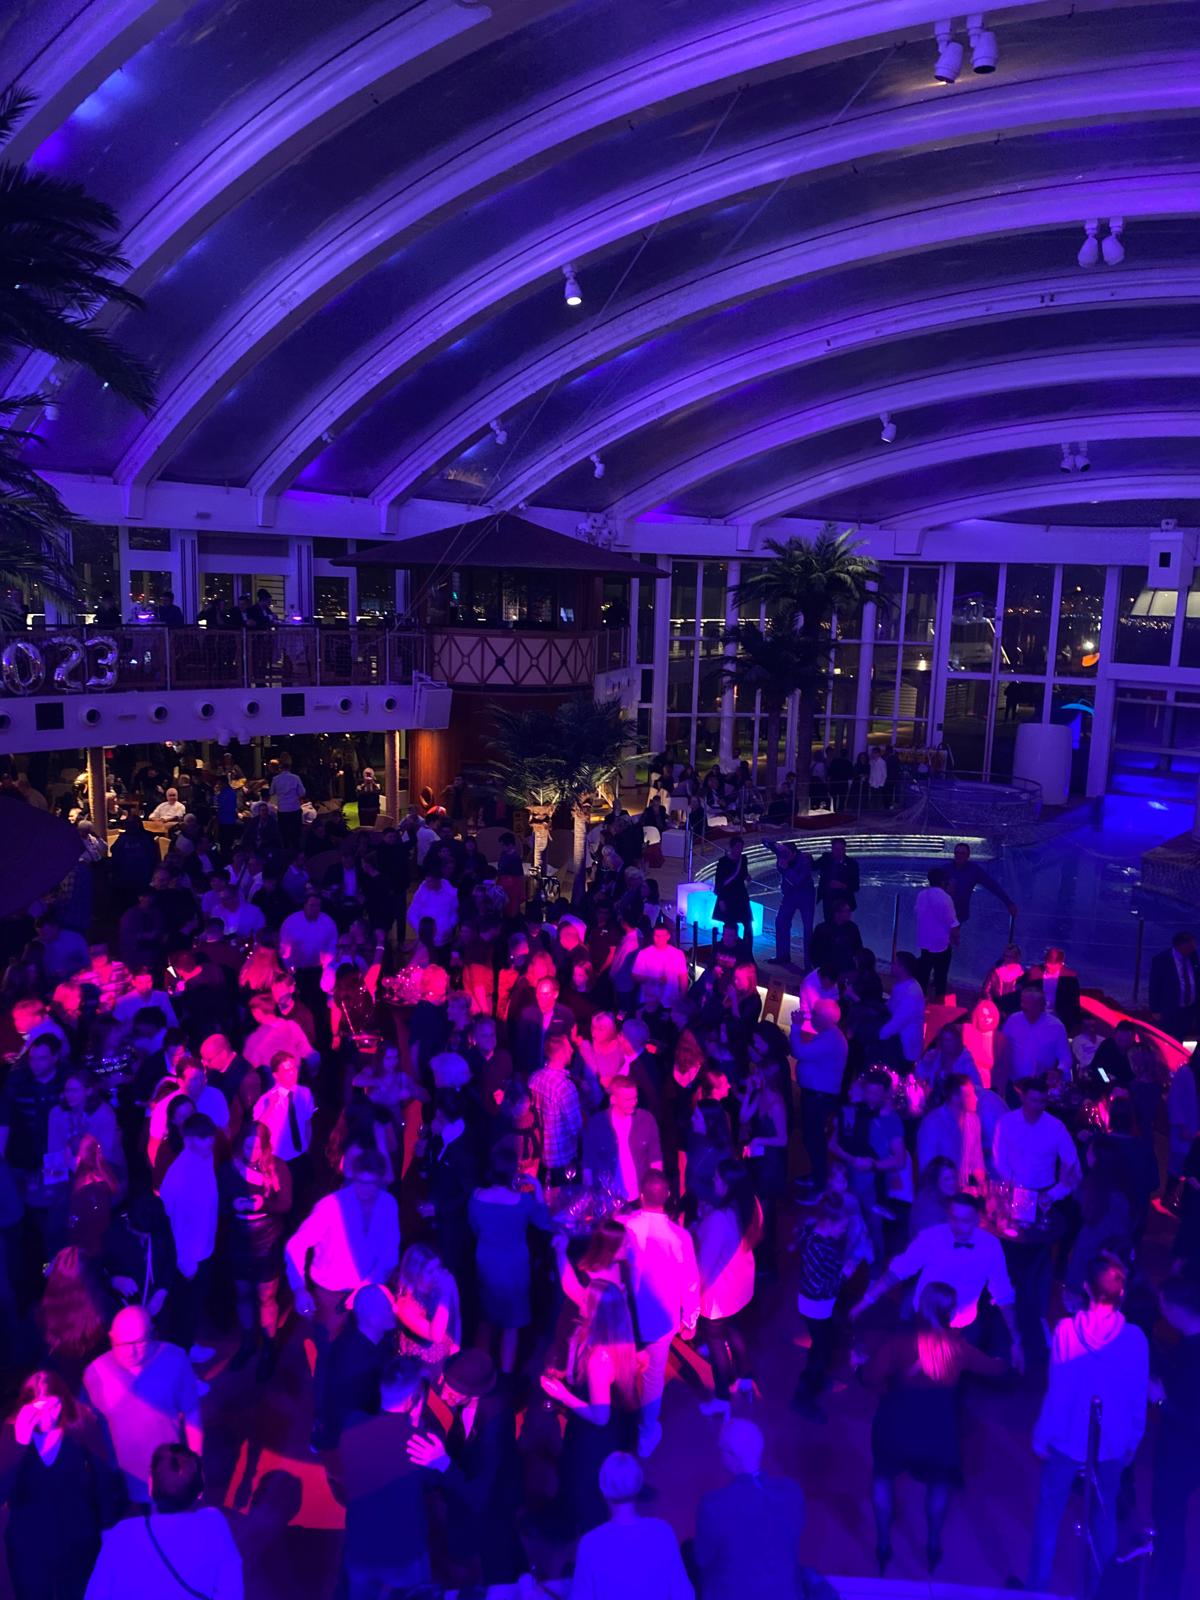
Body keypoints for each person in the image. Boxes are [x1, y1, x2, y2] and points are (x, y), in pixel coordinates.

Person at [863, 1282, 1007, 1575]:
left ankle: (882, 1547)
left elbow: (869, 1377)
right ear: (950, 1313)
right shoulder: (959, 1349)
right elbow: (997, 1369)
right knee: (939, 1485)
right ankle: (931, 1546)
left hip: (895, 1424)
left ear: (920, 1306)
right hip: (938, 1431)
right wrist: (1007, 1350)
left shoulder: (898, 1343)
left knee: (882, 1479)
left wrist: (859, 1366)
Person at [1027, 1256, 1149, 1593]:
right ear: (1122, 1293)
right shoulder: (1135, 1339)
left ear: (1085, 1288)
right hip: (1112, 1440)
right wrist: (1133, 1439)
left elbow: (1057, 1391)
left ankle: (1037, 1587)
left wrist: (1042, 1434)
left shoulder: (1066, 1331)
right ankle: (1100, 1590)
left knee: (1049, 1513)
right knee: (1104, 1516)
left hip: (1066, 1437)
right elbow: (1137, 1396)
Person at [851, 1192, 1022, 1364]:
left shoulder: (991, 1246)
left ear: (977, 1219)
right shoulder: (931, 1237)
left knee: (960, 1371)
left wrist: (1016, 1340)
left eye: (965, 1220)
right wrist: (862, 1304)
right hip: (926, 1320)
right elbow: (896, 1272)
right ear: (948, 1216)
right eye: (954, 1218)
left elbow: (1003, 1293)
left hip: (964, 1324)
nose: (958, 1226)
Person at [407, 1348, 526, 1583]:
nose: (444, 1394)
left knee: (496, 1564)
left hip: (493, 1500)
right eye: (445, 1384)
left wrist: (443, 1462)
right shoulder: (468, 1398)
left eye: (453, 1391)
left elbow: (479, 1495)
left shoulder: (494, 1423)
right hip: (470, 1483)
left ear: (475, 1392)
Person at [0, 1370, 117, 1600]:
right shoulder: (10, 1433)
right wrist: (20, 1443)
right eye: (39, 1408)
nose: (48, 1416)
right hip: (29, 1545)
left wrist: (108, 1530)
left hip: (78, 1539)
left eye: (54, 1406)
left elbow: (103, 1482)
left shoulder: (82, 1427)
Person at [541, 1280, 639, 1536]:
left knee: (582, 1481)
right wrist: (565, 1371)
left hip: (595, 1433)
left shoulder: (600, 1358)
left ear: (597, 1311)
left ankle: (584, 1534)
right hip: (589, 1422)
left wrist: (562, 1395)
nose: (580, 1301)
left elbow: (601, 1416)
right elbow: (578, 1378)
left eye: (586, 1300)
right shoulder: (596, 1333)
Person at [83, 1442, 242, 1600]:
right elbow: (233, 1592)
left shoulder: (123, 1534)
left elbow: (96, 1595)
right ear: (198, 1490)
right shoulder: (214, 1527)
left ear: (151, 1485)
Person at [83, 1305, 202, 1505]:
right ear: (111, 1337)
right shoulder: (94, 1373)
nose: (132, 1351)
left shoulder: (175, 1359)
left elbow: (192, 1412)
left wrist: (195, 1465)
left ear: (152, 1334)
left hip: (166, 1479)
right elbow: (87, 1429)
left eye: (139, 1342)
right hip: (119, 1483)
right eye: (123, 1343)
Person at [337, 1357, 434, 1597]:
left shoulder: (352, 1423)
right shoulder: (423, 1443)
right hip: (403, 1554)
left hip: (361, 1546)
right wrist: (415, 1426)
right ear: (413, 1401)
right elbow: (433, 1483)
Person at [620, 1170, 700, 1457]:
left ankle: (621, 1427)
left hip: (626, 1318)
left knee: (624, 1370)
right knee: (653, 1378)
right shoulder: (680, 1237)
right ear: (667, 1196)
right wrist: (690, 1319)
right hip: (662, 1320)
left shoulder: (625, 1227)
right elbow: (691, 1282)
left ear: (641, 1196)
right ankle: (647, 1432)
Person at [693, 1418, 806, 1600]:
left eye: (721, 1449)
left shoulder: (714, 1504)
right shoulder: (792, 1493)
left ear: (730, 1455)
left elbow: (702, 1559)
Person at [468, 1143, 552, 1374]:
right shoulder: (522, 1202)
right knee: (511, 1324)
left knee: (486, 1318)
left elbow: (475, 1228)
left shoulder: (476, 1197)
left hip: (486, 1262)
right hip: (514, 1267)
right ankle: (505, 1376)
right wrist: (537, 1187)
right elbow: (545, 1223)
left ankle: (479, 1374)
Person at [570, 1450, 695, 1600]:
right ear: (638, 1483)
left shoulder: (591, 1543)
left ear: (603, 1488)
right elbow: (683, 1595)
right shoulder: (662, 1533)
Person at [220, 1121, 291, 1377]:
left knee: (265, 1297)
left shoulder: (277, 1167)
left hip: (267, 1240)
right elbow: (219, 1204)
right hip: (239, 1239)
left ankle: (269, 1347)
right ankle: (248, 1342)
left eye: (258, 1147)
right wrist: (232, 1205)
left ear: (266, 1147)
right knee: (243, 1294)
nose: (252, 1152)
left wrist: (264, 1203)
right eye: (248, 1146)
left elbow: (286, 1203)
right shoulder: (228, 1169)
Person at [692, 1157, 759, 1416]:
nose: (714, 1180)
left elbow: (704, 1265)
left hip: (719, 1294)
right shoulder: (750, 1205)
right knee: (735, 1330)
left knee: (716, 1342)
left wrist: (692, 1296)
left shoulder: (719, 1219)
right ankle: (746, 1378)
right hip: (741, 1286)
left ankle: (722, 1397)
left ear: (728, 1185)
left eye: (718, 1178)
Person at [1151, 1275, 1200, 1600]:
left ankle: (1164, 1590)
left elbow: (1191, 1418)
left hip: (1181, 1453)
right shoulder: (1187, 1345)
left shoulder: (1191, 1355)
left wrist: (1159, 1400)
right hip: (1188, 1454)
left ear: (1175, 1309)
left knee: (1169, 1521)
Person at [992, 1075, 1081, 1200]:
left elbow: (1071, 1161)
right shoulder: (1006, 1123)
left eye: (1042, 1101)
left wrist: (1053, 1194)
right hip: (1013, 1190)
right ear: (1022, 1098)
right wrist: (1011, 1184)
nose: (1038, 1106)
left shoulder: (1056, 1127)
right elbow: (999, 1158)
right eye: (1033, 1100)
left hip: (1045, 1192)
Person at [790, 998, 847, 1193]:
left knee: (814, 1138)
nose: (811, 1017)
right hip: (818, 1095)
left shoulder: (831, 1039)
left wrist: (796, 1027)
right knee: (813, 1137)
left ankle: (819, 1182)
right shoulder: (830, 1036)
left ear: (824, 1018)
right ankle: (817, 1176)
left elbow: (799, 1052)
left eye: (814, 1014)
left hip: (819, 1097)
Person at [582, 1075, 663, 1202]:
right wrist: (590, 1195)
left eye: (635, 1098)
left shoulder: (646, 1120)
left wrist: (654, 1195)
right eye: (628, 1099)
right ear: (613, 1099)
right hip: (607, 1198)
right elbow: (588, 1163)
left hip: (639, 1196)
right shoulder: (597, 1123)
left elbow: (656, 1160)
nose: (633, 1103)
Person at [995, 985, 1072, 1094]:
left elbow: (1065, 1058)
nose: (1023, 1006)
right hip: (1012, 1084)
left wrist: (1059, 1072)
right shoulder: (1013, 1020)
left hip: (1040, 1087)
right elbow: (1001, 1047)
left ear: (1041, 1005)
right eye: (1023, 1002)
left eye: (1028, 1003)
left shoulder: (1056, 1026)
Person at [941, 841, 1016, 926]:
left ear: (967, 855)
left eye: (962, 853)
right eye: (957, 853)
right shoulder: (945, 869)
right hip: (942, 912)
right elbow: (933, 889)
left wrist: (1009, 903)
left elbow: (993, 886)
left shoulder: (974, 871)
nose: (959, 855)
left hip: (959, 914)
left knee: (954, 931)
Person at [914, 868, 959, 1000]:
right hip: (941, 942)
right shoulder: (946, 898)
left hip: (924, 940)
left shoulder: (922, 894)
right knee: (941, 975)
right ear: (943, 881)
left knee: (924, 973)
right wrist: (956, 938)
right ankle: (939, 1002)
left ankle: (921, 999)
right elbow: (952, 922)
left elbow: (917, 912)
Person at [1149, 930, 1200, 1040]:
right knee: (1169, 1038)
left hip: (1189, 1009)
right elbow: (1155, 985)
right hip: (1170, 1009)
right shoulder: (1162, 960)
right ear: (1181, 945)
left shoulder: (1193, 956)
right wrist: (1155, 1009)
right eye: (1191, 945)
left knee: (1186, 1038)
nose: (1194, 948)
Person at [771, 842, 814, 969]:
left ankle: (809, 962)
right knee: (781, 921)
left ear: (794, 853)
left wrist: (786, 869)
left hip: (805, 896)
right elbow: (765, 841)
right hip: (789, 895)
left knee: (807, 928)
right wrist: (776, 846)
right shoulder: (782, 855)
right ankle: (782, 956)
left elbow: (798, 881)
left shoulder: (805, 860)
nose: (784, 856)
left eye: (787, 854)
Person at [713, 835, 752, 945]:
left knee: (747, 924)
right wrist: (721, 900)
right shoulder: (723, 862)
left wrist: (747, 877)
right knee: (730, 924)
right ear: (731, 847)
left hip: (741, 895)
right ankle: (728, 946)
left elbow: (744, 873)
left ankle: (747, 948)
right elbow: (719, 882)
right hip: (728, 896)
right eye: (737, 847)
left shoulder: (743, 859)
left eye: (741, 847)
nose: (739, 850)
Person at [268, 752, 306, 851]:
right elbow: (302, 792)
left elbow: (271, 792)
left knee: (285, 835)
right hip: (294, 809)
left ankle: (286, 853)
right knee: (295, 835)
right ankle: (296, 853)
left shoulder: (276, 779)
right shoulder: (295, 778)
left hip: (282, 810)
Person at [815, 837, 859, 913]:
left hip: (845, 900)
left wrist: (843, 886)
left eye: (841, 849)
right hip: (828, 899)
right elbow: (813, 866)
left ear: (844, 850)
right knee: (829, 918)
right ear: (832, 849)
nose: (838, 852)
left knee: (842, 919)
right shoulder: (825, 859)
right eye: (836, 849)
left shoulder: (852, 864)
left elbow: (856, 886)